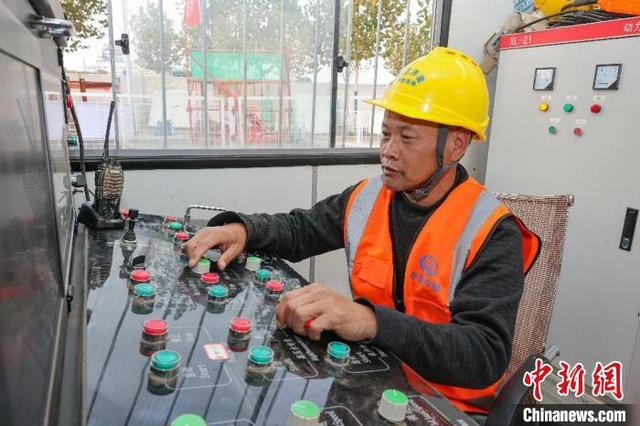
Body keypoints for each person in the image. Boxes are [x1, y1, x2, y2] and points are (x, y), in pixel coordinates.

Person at [183, 47, 540, 416]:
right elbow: (301, 229)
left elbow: (484, 354)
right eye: (385, 134)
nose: (388, 151)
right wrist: (243, 229)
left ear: (456, 145)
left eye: (407, 138)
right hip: (368, 377)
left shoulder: (492, 231)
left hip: (444, 406)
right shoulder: (367, 198)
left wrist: (369, 321)